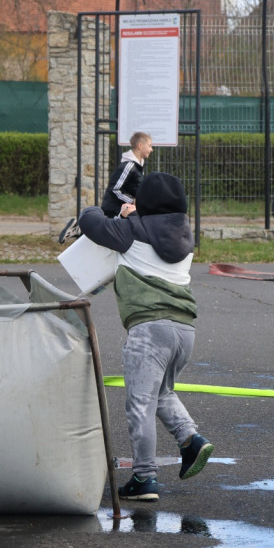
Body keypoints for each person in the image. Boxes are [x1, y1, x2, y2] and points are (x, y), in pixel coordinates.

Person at [78, 171, 212, 501]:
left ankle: (144, 477)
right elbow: (155, 229)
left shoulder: (130, 231)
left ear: (145, 205)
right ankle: (190, 440)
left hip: (150, 330)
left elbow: (90, 223)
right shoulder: (184, 235)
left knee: (139, 404)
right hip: (184, 330)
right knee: (161, 393)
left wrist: (107, 210)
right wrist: (135, 215)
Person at [58, 132, 153, 243]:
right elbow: (115, 189)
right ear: (140, 146)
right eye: (150, 145)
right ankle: (78, 228)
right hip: (115, 208)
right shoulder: (129, 166)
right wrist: (132, 201)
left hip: (121, 208)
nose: (151, 149)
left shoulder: (138, 167)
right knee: (104, 236)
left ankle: (78, 229)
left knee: (101, 236)